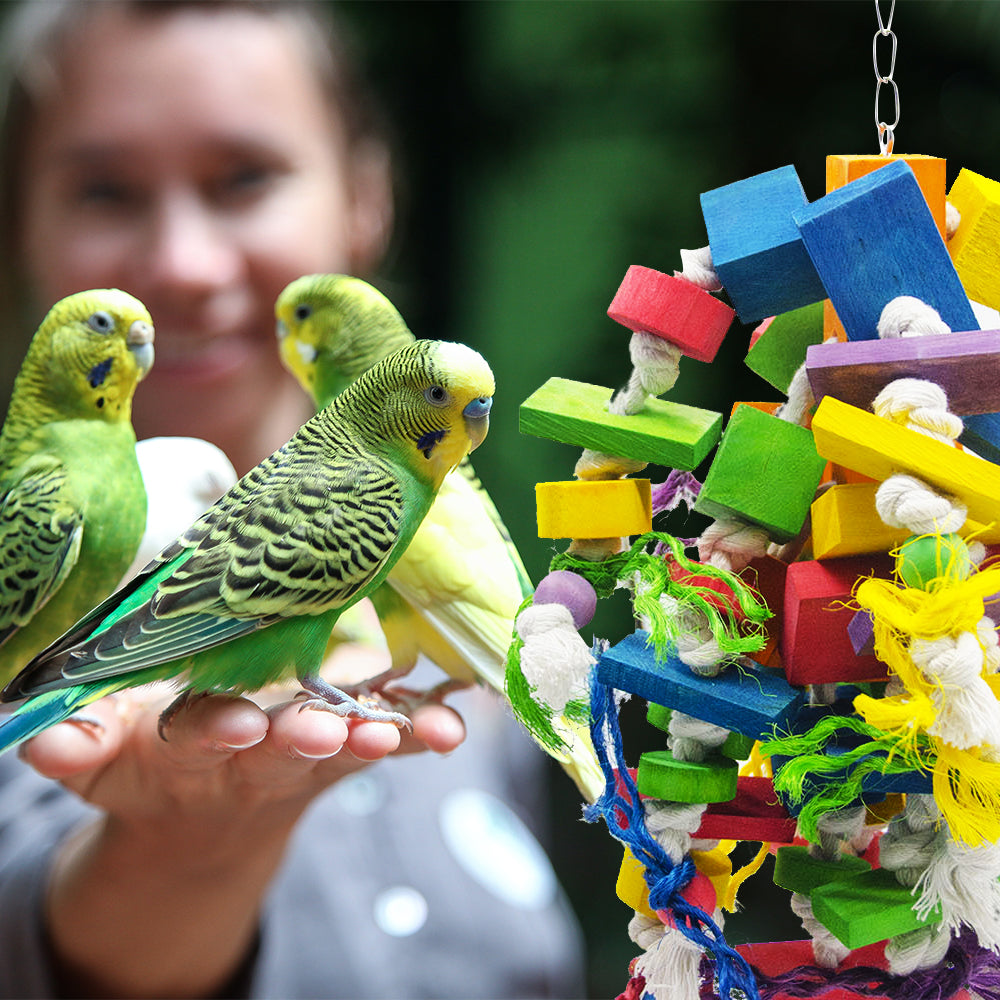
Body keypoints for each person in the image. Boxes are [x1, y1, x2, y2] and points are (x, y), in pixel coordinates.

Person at [0, 3, 585, 998]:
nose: (183, 265)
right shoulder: (53, 526)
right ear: (18, 221)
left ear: (367, 195)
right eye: (106, 190)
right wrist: (191, 844)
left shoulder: (429, 549)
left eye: (245, 179)